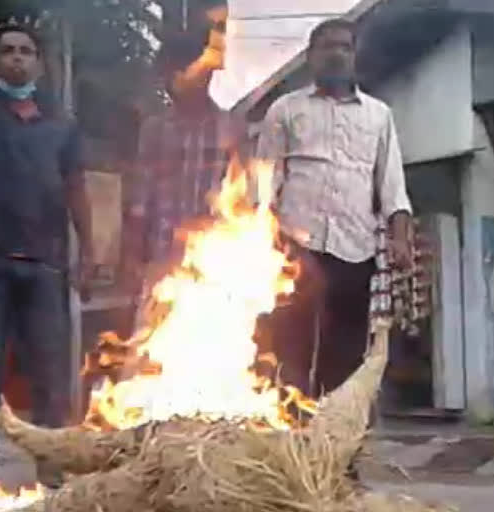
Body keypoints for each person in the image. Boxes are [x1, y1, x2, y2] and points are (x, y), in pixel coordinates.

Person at [0, 16, 95, 490]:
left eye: (25, 52)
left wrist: (89, 250)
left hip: (46, 263)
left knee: (50, 371)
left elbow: (77, 190)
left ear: (40, 65)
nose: (16, 58)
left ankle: (49, 460)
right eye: (7, 51)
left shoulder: (62, 124)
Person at [256, 18, 413, 398]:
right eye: (327, 46)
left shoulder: (379, 115)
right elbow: (263, 182)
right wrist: (263, 239)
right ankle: (286, 435)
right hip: (295, 251)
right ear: (311, 56)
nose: (336, 54)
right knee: (290, 347)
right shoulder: (285, 109)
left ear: (354, 56)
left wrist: (401, 237)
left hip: (354, 250)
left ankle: (333, 441)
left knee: (343, 353)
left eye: (345, 47)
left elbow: (392, 185)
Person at [123, 1, 242, 316]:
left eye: (185, 68)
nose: (178, 79)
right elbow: (140, 200)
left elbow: (242, 202)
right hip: (163, 259)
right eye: (170, 72)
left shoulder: (231, 128)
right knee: (151, 349)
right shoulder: (154, 128)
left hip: (215, 262)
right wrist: (133, 257)